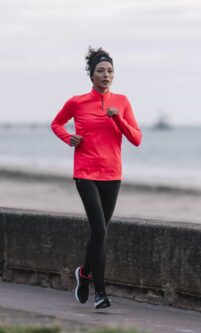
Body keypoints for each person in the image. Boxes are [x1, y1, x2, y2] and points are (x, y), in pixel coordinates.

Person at [51, 47, 142, 309]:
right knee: (100, 229)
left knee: (99, 233)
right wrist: (69, 138)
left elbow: (136, 139)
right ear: (92, 76)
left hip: (112, 174)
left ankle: (85, 272)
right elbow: (56, 123)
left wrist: (118, 120)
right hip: (85, 172)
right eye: (101, 71)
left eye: (110, 71)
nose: (106, 75)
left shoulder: (122, 102)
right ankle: (100, 293)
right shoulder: (77, 102)